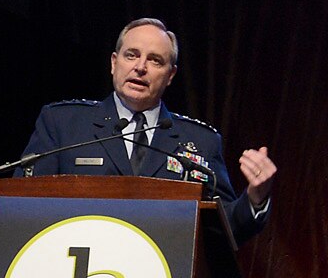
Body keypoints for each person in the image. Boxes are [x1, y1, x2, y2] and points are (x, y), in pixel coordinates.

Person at [19, 17, 277, 244]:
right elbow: (22, 205)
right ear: (114, 62)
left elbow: (224, 227)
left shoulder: (200, 141)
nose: (140, 67)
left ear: (171, 75)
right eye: (131, 55)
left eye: (155, 60)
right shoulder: (64, 124)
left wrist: (255, 197)